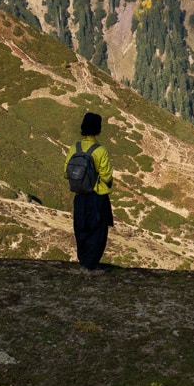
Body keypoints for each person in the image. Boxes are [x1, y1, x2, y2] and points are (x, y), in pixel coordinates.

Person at [66, 111, 113, 273]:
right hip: (97, 197)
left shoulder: (74, 147)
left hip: (79, 196)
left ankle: (83, 262)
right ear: (98, 129)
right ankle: (90, 266)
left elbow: (66, 173)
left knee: (81, 229)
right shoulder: (100, 150)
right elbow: (106, 176)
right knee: (97, 231)